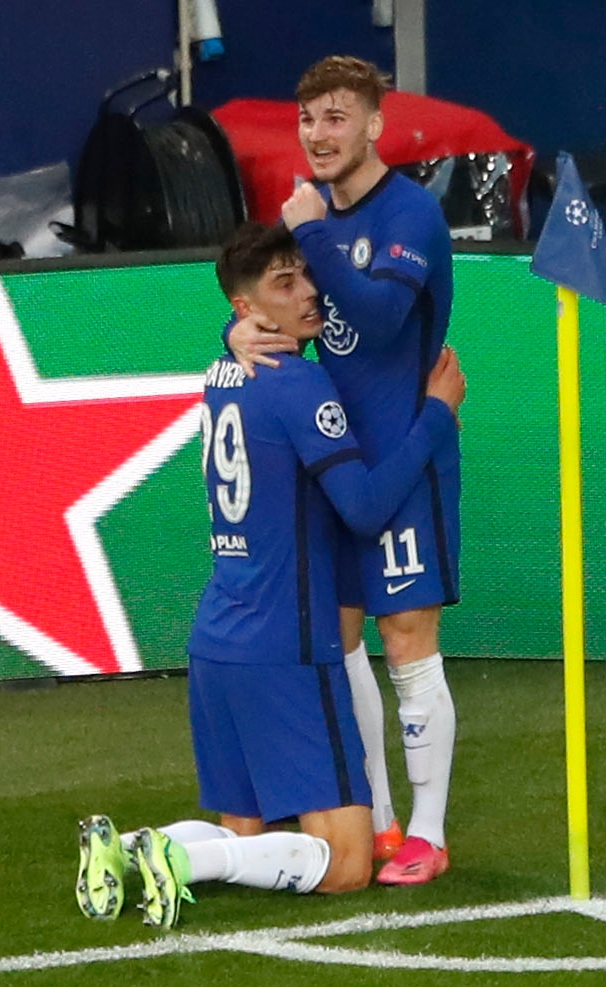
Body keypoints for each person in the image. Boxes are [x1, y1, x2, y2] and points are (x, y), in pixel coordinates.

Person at [75, 223, 465, 929]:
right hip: (286, 646)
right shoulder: (297, 384)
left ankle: (133, 849)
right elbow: (364, 510)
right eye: (284, 285)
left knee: (248, 832)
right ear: (247, 306)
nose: (310, 292)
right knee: (345, 864)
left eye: (306, 276)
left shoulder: (221, 370)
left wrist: (233, 330)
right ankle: (176, 860)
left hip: (218, 639)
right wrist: (435, 419)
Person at [228, 56, 457, 885]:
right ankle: (384, 818)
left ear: (372, 126)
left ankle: (429, 832)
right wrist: (237, 332)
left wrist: (315, 231)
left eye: (334, 118)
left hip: (404, 456)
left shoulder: (411, 214)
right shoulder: (309, 219)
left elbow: (381, 315)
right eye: (307, 120)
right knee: (345, 639)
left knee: (408, 641)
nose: (317, 136)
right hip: (333, 464)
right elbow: (270, 294)